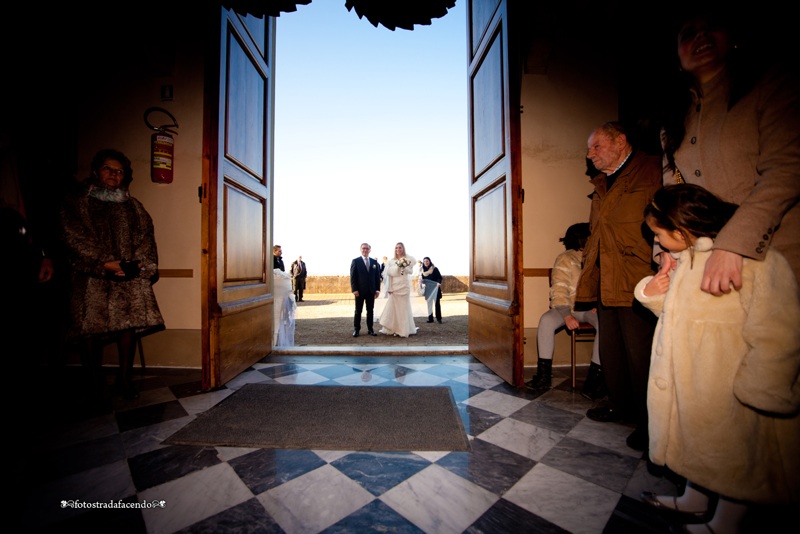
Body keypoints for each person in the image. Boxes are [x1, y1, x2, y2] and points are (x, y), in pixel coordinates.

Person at [634, 183, 800, 533]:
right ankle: (694, 499)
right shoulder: (685, 259)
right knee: (701, 445)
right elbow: (673, 312)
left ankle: (725, 524)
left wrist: (763, 385)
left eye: (660, 235)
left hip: (730, 379)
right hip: (692, 377)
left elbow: (778, 329)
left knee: (733, 457)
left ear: (682, 229)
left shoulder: (754, 260)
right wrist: (653, 290)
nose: (659, 244)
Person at [658, 12, 800, 289]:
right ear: (677, 56)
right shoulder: (673, 118)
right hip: (705, 265)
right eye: (689, 33)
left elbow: (787, 170)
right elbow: (671, 192)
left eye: (712, 27)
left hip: (777, 256)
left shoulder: (773, 85)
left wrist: (734, 244)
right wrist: (666, 247)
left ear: (733, 39)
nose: (701, 35)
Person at [575, 121, 662, 452]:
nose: (590, 153)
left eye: (596, 146)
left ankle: (649, 421)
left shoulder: (653, 170)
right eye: (589, 148)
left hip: (639, 277)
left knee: (641, 354)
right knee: (612, 351)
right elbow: (597, 236)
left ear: (621, 141)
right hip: (605, 279)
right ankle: (620, 404)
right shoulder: (601, 184)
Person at [59, 149, 164, 404]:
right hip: (91, 278)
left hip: (127, 276)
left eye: (119, 171)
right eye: (108, 169)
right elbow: (72, 237)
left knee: (127, 327)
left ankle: (124, 381)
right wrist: (103, 263)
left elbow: (146, 238)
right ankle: (94, 384)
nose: (113, 175)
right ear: (96, 172)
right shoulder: (78, 203)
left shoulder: (134, 206)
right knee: (90, 330)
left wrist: (134, 265)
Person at [526, 223, 605, 400]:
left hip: (589, 308)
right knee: (546, 320)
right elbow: (559, 289)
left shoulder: (598, 258)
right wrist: (567, 315)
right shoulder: (565, 259)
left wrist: (599, 304)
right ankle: (544, 376)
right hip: (568, 307)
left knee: (604, 322)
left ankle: (595, 380)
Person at [378, 242, 418, 337]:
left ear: (403, 248)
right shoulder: (391, 261)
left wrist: (404, 266)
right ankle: (393, 328)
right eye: (396, 248)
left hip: (404, 286)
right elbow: (389, 275)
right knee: (394, 308)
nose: (398, 249)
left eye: (400, 248)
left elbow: (410, 271)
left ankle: (403, 329)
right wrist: (389, 288)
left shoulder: (408, 259)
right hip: (395, 287)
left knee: (403, 309)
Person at [349, 242, 381, 337]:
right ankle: (356, 329)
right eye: (363, 248)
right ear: (360, 250)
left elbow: (377, 277)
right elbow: (353, 277)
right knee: (358, 311)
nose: (365, 250)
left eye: (367, 248)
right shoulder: (355, 261)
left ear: (370, 250)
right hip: (359, 291)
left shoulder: (374, 263)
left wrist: (377, 290)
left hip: (371, 291)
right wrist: (354, 289)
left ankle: (370, 329)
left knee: (370, 310)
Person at [420, 256, 443, 323]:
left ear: (429, 262)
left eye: (427, 261)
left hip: (436, 288)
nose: (426, 262)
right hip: (428, 289)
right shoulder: (423, 271)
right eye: (424, 261)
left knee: (437, 304)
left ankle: (439, 318)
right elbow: (424, 280)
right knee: (429, 303)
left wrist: (438, 283)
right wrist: (422, 281)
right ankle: (430, 318)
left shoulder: (435, 269)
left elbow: (439, 277)